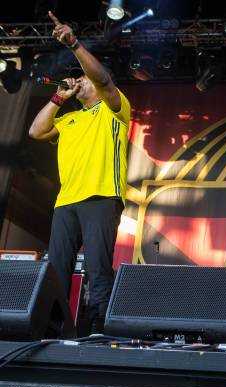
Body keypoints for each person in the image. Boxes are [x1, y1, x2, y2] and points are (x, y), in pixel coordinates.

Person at [28, 11, 131, 334]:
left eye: (83, 78)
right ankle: (53, 327)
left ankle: (100, 328)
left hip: (101, 197)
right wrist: (61, 96)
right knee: (57, 269)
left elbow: (101, 79)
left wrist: (73, 43)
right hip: (66, 202)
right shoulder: (68, 120)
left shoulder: (114, 109)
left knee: (99, 268)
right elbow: (35, 131)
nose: (80, 80)